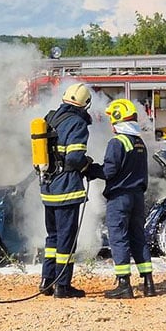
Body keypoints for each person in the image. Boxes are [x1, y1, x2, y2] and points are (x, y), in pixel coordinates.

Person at [86, 99, 156, 298]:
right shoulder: (140, 143)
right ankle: (148, 283)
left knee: (119, 238)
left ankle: (124, 284)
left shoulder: (117, 142)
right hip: (137, 197)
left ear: (117, 119)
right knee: (138, 237)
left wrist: (90, 169)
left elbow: (109, 171)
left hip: (120, 198)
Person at [39, 82, 95, 298]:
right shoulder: (77, 124)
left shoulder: (50, 118)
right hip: (67, 191)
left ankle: (46, 281)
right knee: (66, 240)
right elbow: (74, 157)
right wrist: (87, 166)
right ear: (85, 104)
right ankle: (63, 286)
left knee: (52, 237)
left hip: (48, 189)